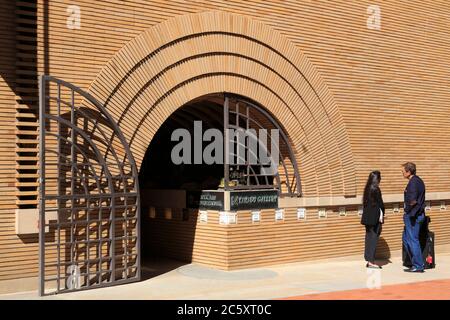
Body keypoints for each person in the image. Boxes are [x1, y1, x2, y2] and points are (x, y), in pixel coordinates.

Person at [402, 162, 426, 273]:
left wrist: (408, 213)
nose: (402, 173)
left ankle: (418, 265)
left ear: (409, 171)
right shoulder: (418, 181)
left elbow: (413, 201)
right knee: (406, 239)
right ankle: (416, 262)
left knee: (412, 240)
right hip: (416, 215)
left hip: (413, 216)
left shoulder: (413, 183)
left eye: (403, 171)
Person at [361, 170, 385, 269]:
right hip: (375, 218)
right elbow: (380, 204)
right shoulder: (376, 189)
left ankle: (368, 258)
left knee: (368, 237)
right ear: (377, 179)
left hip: (367, 217)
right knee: (373, 238)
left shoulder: (367, 188)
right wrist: (383, 214)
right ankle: (371, 261)